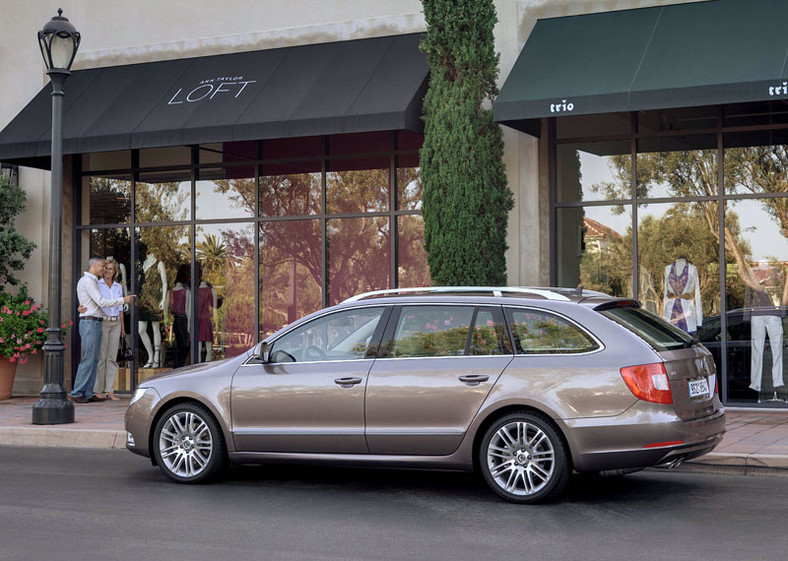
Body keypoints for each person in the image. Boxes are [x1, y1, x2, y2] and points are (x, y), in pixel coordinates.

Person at [71, 256, 135, 403]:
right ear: (94, 265)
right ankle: (77, 393)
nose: (104, 269)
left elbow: (91, 302)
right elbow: (100, 301)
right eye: (102, 266)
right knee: (89, 359)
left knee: (93, 359)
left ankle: (88, 393)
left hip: (96, 322)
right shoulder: (89, 282)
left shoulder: (92, 281)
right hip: (91, 322)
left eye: (108, 267)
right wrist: (123, 300)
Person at [94, 257, 125, 401]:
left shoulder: (118, 287)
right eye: (105, 268)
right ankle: (97, 390)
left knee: (112, 358)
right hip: (103, 322)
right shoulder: (97, 284)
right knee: (101, 358)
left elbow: (120, 308)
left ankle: (110, 390)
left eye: (110, 269)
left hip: (116, 323)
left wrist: (123, 328)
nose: (107, 271)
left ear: (115, 272)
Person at [170, 264, 191, 368]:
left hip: (176, 319)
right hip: (183, 319)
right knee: (184, 345)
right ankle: (178, 366)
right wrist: (189, 325)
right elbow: (187, 309)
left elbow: (170, 306)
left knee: (180, 344)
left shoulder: (173, 289)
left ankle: (177, 365)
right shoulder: (186, 290)